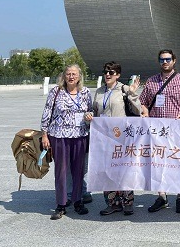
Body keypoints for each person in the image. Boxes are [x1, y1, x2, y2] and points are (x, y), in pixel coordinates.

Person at [139, 49, 180, 213]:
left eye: (168, 59)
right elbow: (143, 101)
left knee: (179, 162)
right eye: (162, 59)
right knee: (158, 163)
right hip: (157, 131)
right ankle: (162, 197)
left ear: (174, 61)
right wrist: (145, 112)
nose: (165, 62)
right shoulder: (151, 81)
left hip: (177, 129)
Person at [85, 61, 142, 216]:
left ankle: (127, 202)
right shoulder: (99, 91)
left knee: (124, 169)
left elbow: (138, 109)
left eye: (111, 72)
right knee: (106, 170)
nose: (108, 75)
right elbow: (93, 110)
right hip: (103, 137)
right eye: (106, 72)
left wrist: (132, 94)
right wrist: (88, 115)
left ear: (118, 75)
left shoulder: (124, 89)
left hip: (121, 137)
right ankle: (112, 202)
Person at [41, 64, 92, 220]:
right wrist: (44, 134)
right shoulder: (56, 92)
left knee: (78, 170)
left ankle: (78, 201)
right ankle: (61, 204)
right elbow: (47, 112)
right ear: (64, 76)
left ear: (79, 76)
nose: (71, 77)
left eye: (74, 74)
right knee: (61, 171)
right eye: (68, 74)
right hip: (59, 135)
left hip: (80, 135)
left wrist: (90, 117)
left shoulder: (85, 92)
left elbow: (90, 110)